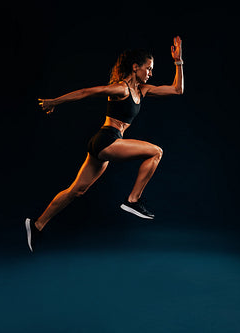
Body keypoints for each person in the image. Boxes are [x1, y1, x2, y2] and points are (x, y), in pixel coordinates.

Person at [26, 36, 184, 252]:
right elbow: (86, 93)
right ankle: (132, 200)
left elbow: (177, 90)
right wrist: (55, 102)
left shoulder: (143, 90)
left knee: (76, 191)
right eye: (148, 68)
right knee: (156, 152)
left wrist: (178, 61)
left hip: (106, 143)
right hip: (106, 140)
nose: (150, 73)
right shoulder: (121, 89)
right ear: (135, 67)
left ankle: (37, 225)